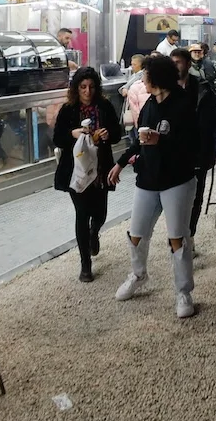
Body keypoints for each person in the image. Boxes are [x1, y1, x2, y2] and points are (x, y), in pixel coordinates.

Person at [107, 53, 202, 319]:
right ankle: (138, 274)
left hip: (177, 180)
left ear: (157, 78)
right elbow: (139, 140)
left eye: (146, 75)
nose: (142, 80)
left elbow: (191, 146)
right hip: (147, 179)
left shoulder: (183, 105)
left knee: (177, 237)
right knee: (136, 233)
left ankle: (184, 292)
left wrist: (162, 141)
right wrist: (121, 163)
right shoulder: (149, 104)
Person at [52, 67, 122, 283]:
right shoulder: (68, 110)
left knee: (100, 213)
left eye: (91, 87)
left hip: (100, 169)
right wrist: (72, 134)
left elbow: (117, 134)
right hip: (76, 172)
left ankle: (94, 233)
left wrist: (108, 134)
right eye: (83, 87)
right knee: (82, 214)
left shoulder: (105, 106)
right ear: (76, 88)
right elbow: (57, 139)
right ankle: (85, 264)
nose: (87, 91)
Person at [172, 48, 216, 241]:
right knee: (175, 199)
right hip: (173, 155)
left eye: (178, 62)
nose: (175, 66)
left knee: (196, 197)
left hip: (199, 152)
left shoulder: (203, 90)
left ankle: (188, 235)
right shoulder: (163, 91)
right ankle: (178, 235)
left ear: (188, 64)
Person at [121, 54, 150, 127]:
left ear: (140, 65)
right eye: (131, 64)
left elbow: (126, 87)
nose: (132, 67)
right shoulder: (134, 75)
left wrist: (125, 88)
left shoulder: (140, 76)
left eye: (134, 64)